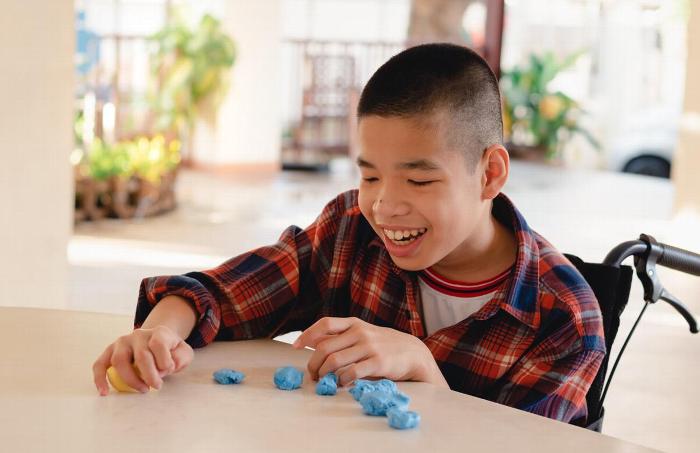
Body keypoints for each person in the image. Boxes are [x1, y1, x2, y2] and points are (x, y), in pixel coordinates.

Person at [92, 43, 605, 426]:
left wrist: (425, 372)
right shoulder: (350, 232)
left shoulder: (565, 319)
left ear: (490, 174)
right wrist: (158, 334)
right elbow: (221, 294)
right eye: (370, 176)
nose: (385, 205)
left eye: (420, 179)